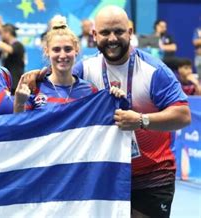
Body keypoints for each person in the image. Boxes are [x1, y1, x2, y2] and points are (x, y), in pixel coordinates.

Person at [72, 6, 191, 217]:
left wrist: (142, 120)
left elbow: (183, 116)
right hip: (107, 173)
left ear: (130, 31)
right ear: (94, 35)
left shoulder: (154, 71)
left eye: (118, 31)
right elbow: (57, 87)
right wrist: (38, 75)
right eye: (105, 32)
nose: (112, 38)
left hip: (152, 175)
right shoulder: (84, 70)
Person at [14, 16, 98, 112]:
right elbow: (20, 125)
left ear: (76, 50)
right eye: (56, 50)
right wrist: (19, 103)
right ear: (47, 51)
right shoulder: (34, 88)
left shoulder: (90, 91)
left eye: (68, 49)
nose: (62, 55)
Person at [0, 23, 25, 95]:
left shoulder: (18, 45)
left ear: (7, 33)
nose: (0, 36)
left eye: (2, 33)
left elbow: (10, 50)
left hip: (16, 82)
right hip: (7, 82)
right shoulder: (5, 47)